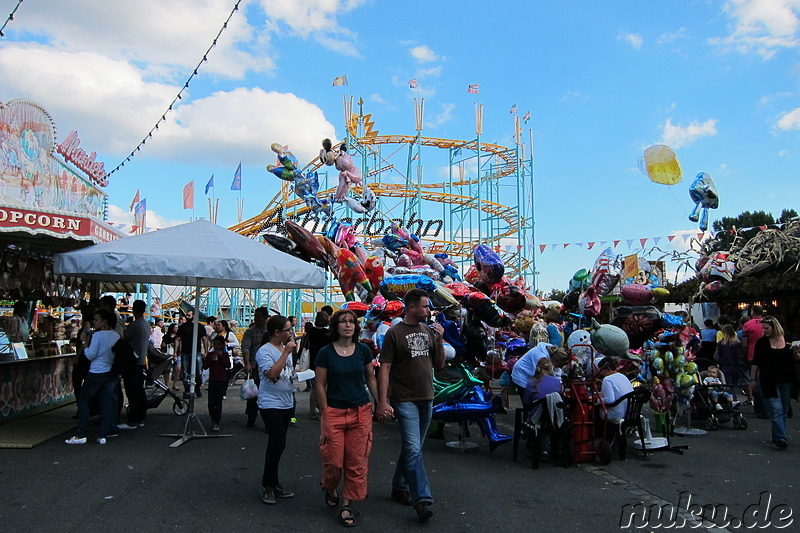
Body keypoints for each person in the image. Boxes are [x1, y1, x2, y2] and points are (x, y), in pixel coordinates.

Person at [376, 288, 446, 524]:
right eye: (426, 306)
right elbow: (384, 368)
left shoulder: (428, 330)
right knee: (414, 448)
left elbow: (439, 365)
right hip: (404, 399)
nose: (429, 310)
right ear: (412, 307)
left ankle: (399, 486)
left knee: (411, 448)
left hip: (426, 396)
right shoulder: (395, 334)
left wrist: (439, 340)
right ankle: (422, 500)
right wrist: (383, 401)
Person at [315, 310, 378, 527]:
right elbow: (320, 385)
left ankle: (346, 505)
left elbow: (370, 378)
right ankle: (330, 486)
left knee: (356, 462)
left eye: (351, 322)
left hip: (360, 412)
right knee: (333, 462)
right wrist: (325, 411)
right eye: (343, 322)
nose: (348, 325)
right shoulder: (326, 352)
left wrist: (380, 403)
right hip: (334, 411)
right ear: (336, 326)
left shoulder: (362, 350)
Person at [256, 315, 297, 505]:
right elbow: (271, 374)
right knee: (276, 443)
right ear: (277, 332)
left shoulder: (283, 349)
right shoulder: (265, 351)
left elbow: (286, 372)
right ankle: (268, 484)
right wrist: (286, 353)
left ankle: (274, 482)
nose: (291, 333)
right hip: (271, 403)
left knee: (280, 444)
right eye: (287, 330)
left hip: (287, 401)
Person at [66, 309, 120, 445]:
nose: (94, 322)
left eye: (96, 320)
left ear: (104, 321)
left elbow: (90, 355)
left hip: (96, 372)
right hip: (110, 372)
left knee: (84, 401)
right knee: (106, 402)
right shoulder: (116, 336)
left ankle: (81, 433)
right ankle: (103, 434)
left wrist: (85, 343)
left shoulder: (97, 336)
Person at [751, 316, 800, 449]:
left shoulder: (789, 341)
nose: (764, 331)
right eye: (763, 328)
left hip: (786, 379)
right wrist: (753, 379)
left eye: (766, 328)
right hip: (768, 379)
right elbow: (756, 361)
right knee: (776, 409)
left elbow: (796, 359)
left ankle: (777, 434)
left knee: (783, 410)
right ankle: (781, 438)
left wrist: (796, 353)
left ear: (774, 327)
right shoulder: (762, 342)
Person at [118, 300, 149, 429]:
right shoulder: (146, 325)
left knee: (132, 391)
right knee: (139, 391)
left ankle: (133, 419)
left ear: (134, 310)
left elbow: (123, 338)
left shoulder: (135, 325)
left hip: (133, 361)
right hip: (141, 360)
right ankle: (140, 417)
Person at [242, 307, 269, 428]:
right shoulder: (250, 332)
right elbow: (246, 348)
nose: (255, 319)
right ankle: (251, 416)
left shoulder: (271, 332)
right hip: (254, 365)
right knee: (253, 393)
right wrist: (247, 363)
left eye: (258, 316)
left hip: (267, 365)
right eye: (255, 316)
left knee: (266, 393)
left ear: (265, 318)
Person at [301, 311, 331, 417]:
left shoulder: (311, 331)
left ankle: (313, 410)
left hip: (313, 361)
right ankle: (322, 407)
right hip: (326, 362)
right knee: (324, 387)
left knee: (315, 387)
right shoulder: (327, 333)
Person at [176, 310, 208, 398]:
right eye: (186, 315)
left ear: (194, 316)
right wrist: (176, 352)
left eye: (189, 315)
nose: (187, 317)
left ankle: (197, 387)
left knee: (199, 373)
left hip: (196, 352)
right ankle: (187, 390)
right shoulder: (182, 327)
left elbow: (204, 339)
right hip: (185, 352)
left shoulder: (200, 327)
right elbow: (177, 339)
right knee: (186, 373)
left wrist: (206, 351)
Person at [741, 305, 766, 415]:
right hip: (767, 354)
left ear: (752, 312)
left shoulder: (747, 325)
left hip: (753, 355)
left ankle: (760, 408)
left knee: (755, 381)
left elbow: (745, 344)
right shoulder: (768, 323)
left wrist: (744, 355)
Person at [203, 335, 231, 431]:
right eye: (214, 344)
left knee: (218, 402)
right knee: (211, 403)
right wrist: (211, 360)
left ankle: (217, 421)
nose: (216, 346)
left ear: (222, 345)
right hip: (213, 379)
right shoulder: (210, 355)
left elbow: (228, 365)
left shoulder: (224, 354)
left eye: (218, 344)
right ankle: (213, 417)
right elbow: (205, 366)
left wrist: (220, 357)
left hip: (222, 380)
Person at [596, 357, 633, 422]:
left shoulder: (607, 380)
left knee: (594, 410)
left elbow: (609, 400)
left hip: (616, 414)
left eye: (601, 371)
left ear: (608, 369)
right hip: (628, 412)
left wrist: (597, 400)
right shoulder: (623, 376)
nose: (600, 374)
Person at [714, 324, 744, 398]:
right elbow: (740, 355)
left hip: (725, 365)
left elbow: (718, 355)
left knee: (728, 384)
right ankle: (733, 398)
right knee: (733, 383)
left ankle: (732, 399)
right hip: (736, 365)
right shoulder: (737, 343)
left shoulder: (721, 343)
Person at [161, 323, 180, 390]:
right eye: (175, 328)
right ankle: (166, 385)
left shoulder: (178, 337)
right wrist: (163, 345)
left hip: (176, 354)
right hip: (168, 354)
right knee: (167, 370)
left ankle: (175, 384)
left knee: (177, 369)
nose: (177, 329)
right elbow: (162, 345)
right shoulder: (166, 337)